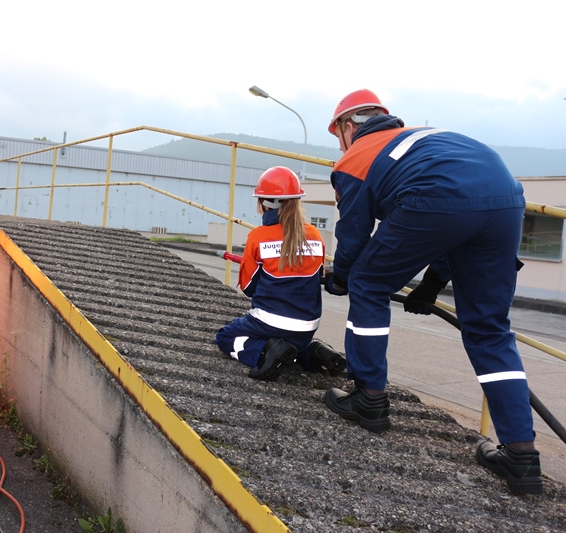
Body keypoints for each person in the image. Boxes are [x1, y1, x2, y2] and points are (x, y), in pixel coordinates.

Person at [321, 89, 541, 495]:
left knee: (367, 283)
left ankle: (369, 398)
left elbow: (353, 239)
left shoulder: (356, 158)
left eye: (338, 136)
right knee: (489, 329)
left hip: (441, 198)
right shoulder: (426, 138)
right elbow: (457, 215)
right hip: (506, 198)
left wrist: (340, 279)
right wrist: (431, 285)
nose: (340, 146)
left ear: (348, 126)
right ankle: (521, 456)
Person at [215, 166, 346, 381]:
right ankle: (313, 353)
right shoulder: (314, 234)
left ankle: (264, 351)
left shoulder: (258, 237)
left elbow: (249, 288)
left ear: (264, 203)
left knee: (225, 337)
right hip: (308, 326)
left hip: (270, 321)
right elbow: (317, 275)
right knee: (292, 345)